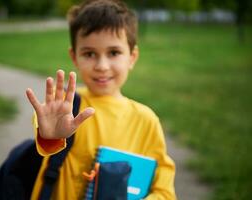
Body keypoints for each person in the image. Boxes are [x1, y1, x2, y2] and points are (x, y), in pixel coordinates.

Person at [25, 0, 176, 199]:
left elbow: (164, 192)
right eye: (89, 54)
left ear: (132, 56)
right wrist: (50, 136)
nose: (102, 66)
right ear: (74, 57)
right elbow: (44, 142)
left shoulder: (146, 121)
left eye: (114, 52)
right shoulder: (65, 107)